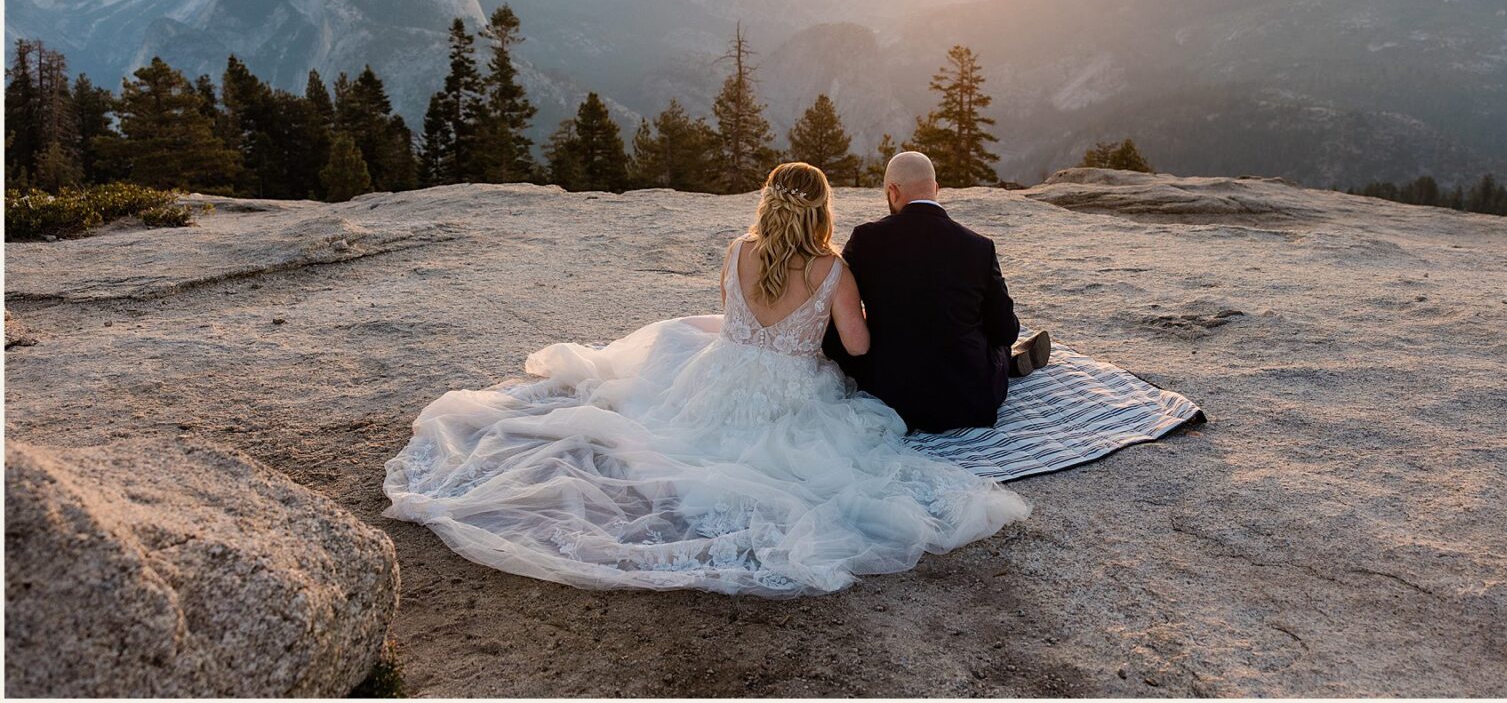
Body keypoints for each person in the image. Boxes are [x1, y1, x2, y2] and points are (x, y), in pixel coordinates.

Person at [383, 161, 1029, 596]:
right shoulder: (832, 269)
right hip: (792, 395)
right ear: (824, 211)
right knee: (845, 465)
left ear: (769, 204)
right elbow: (856, 343)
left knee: (665, 424)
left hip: (719, 381)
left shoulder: (740, 250)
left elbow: (732, 317)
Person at [822, 151, 1051, 433]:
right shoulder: (979, 247)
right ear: (936, 190)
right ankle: (1007, 364)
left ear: (893, 192)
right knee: (992, 339)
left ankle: (1005, 363)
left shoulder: (866, 239)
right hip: (968, 401)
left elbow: (838, 315)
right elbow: (1005, 331)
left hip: (890, 397)